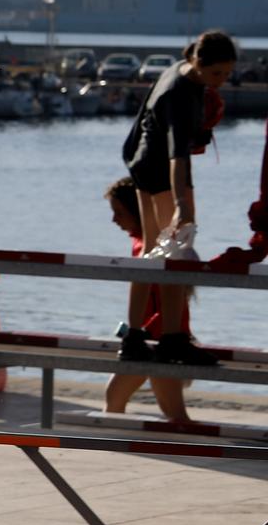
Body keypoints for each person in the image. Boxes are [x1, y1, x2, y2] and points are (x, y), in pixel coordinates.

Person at [120, 29, 236, 365]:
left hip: (141, 161)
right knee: (173, 251)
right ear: (198, 62)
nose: (222, 81)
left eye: (227, 74)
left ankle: (139, 334)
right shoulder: (179, 94)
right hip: (159, 169)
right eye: (216, 73)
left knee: (156, 250)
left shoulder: (182, 71)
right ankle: (167, 337)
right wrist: (183, 205)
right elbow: (177, 156)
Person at [101, 176, 195, 424]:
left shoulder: (150, 249)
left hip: (157, 340)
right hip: (153, 338)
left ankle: (115, 449)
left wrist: (145, 331)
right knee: (173, 413)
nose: (114, 220)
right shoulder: (142, 243)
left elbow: (168, 300)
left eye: (119, 212)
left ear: (137, 209)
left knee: (115, 399)